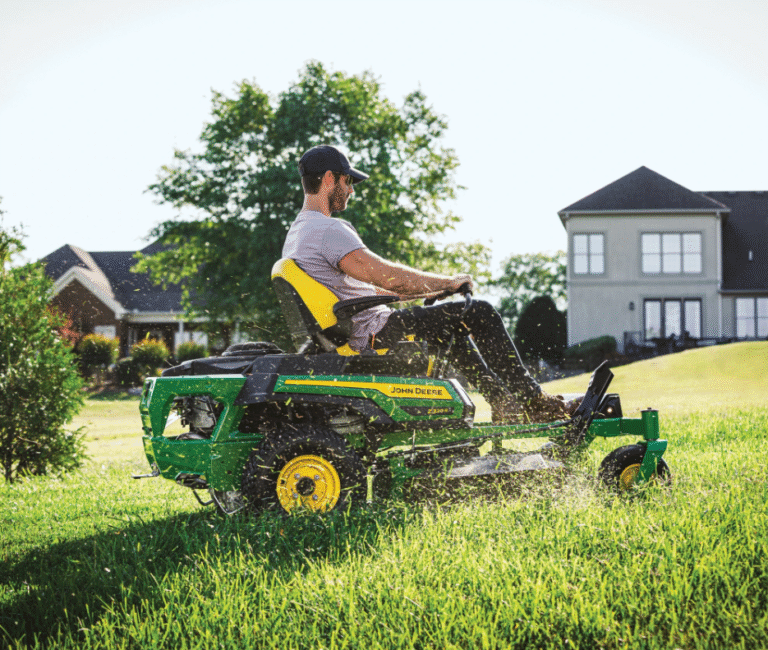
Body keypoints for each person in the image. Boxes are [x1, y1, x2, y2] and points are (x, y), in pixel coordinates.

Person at [282, 144, 576, 423]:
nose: (350, 191)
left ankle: (501, 402)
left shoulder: (297, 234)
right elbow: (386, 276)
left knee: (451, 326)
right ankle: (534, 402)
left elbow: (364, 292)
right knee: (480, 313)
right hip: (374, 335)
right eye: (348, 182)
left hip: (356, 331)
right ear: (331, 179)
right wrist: (448, 282)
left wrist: (436, 289)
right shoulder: (328, 230)